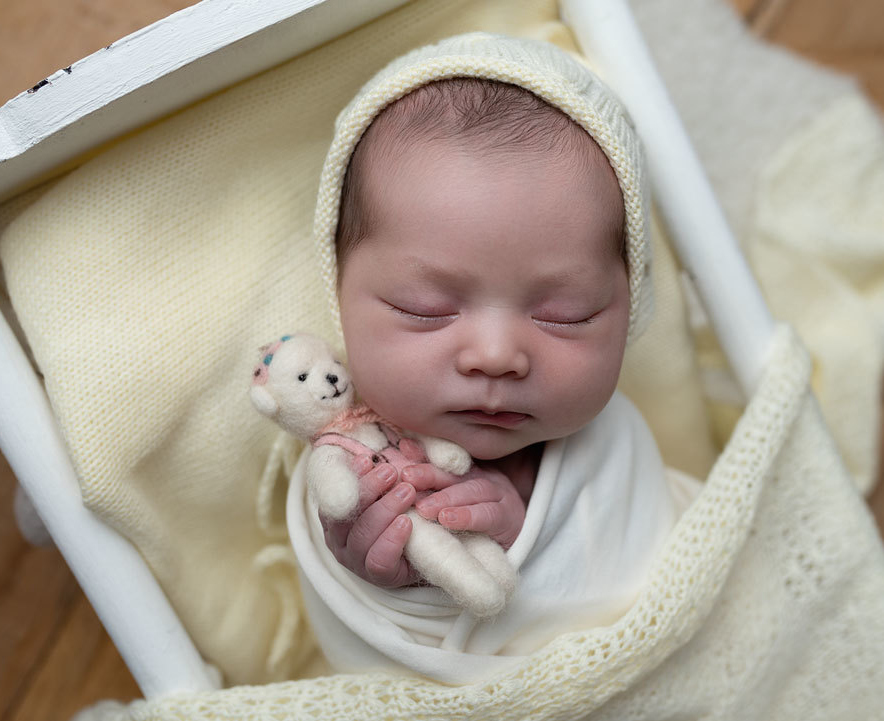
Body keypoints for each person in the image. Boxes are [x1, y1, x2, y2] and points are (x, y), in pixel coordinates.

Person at [289, 32, 699, 684]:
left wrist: (526, 537)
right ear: (339, 296)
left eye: (564, 315)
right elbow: (364, 667)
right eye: (426, 308)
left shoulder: (614, 452)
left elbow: (669, 572)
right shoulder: (347, 462)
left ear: (630, 305)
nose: (496, 356)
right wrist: (379, 578)